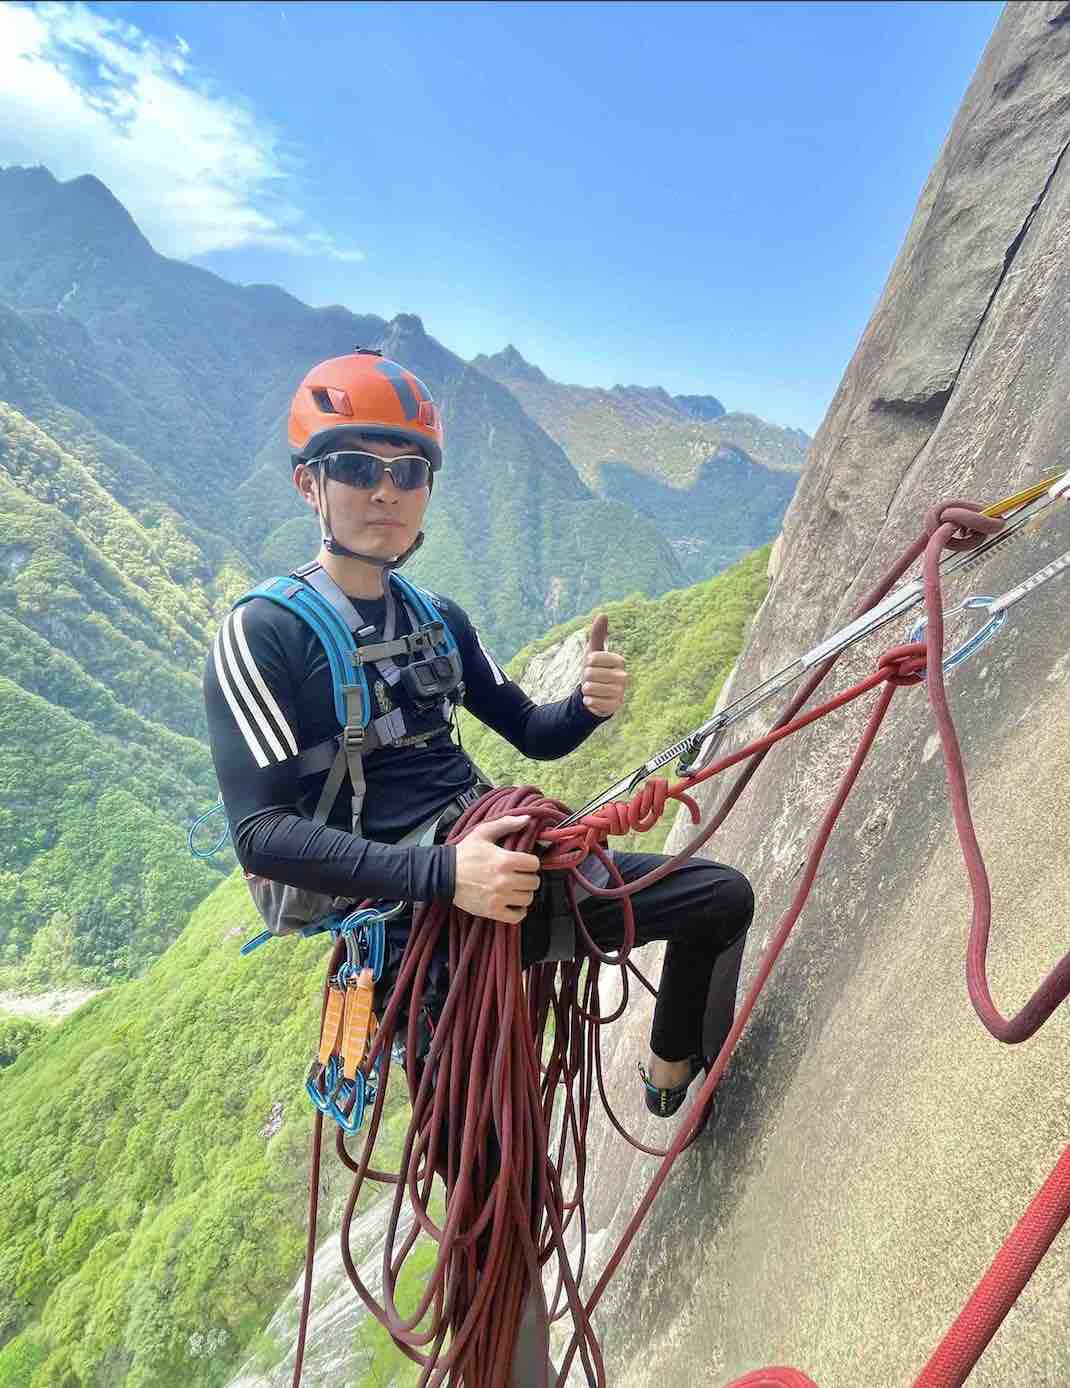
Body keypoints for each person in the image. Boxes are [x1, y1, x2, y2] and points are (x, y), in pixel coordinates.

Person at [202, 348, 754, 1115]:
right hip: (411, 934)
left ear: (428, 488)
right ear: (310, 484)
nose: (386, 491)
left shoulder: (438, 619)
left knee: (719, 898)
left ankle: (671, 1077)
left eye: (410, 471)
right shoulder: (263, 632)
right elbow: (261, 834)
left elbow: (532, 731)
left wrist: (587, 707)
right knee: (488, 1174)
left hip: (508, 872)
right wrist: (444, 876)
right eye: (358, 467)